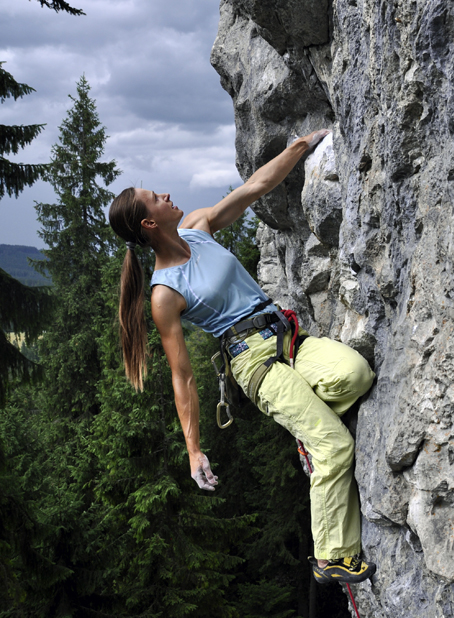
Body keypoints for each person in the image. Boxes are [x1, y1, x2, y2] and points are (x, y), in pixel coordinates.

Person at [107, 129, 376, 584]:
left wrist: (299, 147)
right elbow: (183, 376)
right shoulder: (164, 294)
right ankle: (333, 556)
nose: (166, 194)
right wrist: (194, 451)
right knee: (334, 446)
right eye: (155, 197)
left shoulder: (199, 226)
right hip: (255, 364)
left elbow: (255, 188)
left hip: (286, 335)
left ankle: (308, 419)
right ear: (149, 224)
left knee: (356, 375)